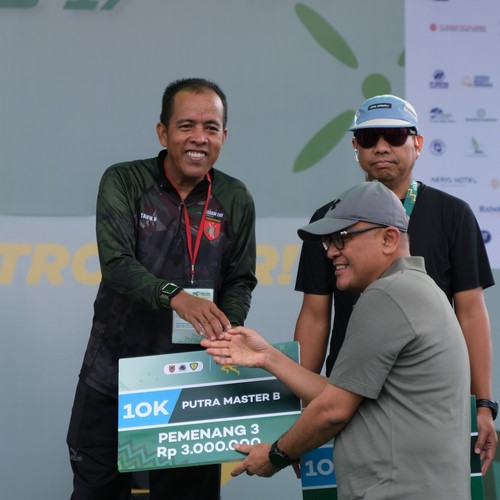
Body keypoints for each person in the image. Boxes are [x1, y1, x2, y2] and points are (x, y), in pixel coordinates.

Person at [202, 181, 471, 499]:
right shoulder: (413, 289)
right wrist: (268, 357)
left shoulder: (388, 294)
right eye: (328, 241)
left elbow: (333, 410)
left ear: (388, 239)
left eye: (341, 237)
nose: (330, 251)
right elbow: (338, 395)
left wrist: (276, 454)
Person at [66, 77, 257, 500]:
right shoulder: (124, 181)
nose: (199, 138)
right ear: (162, 132)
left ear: (224, 136)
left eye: (211, 127)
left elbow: (240, 279)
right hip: (114, 376)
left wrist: (226, 326)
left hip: (191, 385)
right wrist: (177, 297)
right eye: (186, 125)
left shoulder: (235, 197)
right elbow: (117, 265)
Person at [293, 94, 497, 473]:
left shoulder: (453, 215)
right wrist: (303, 410)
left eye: (395, 135)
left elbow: (470, 313)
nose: (382, 147)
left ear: (417, 143)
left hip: (429, 401)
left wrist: (483, 404)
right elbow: (315, 316)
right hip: (347, 396)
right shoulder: (327, 221)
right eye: (368, 138)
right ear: (355, 147)